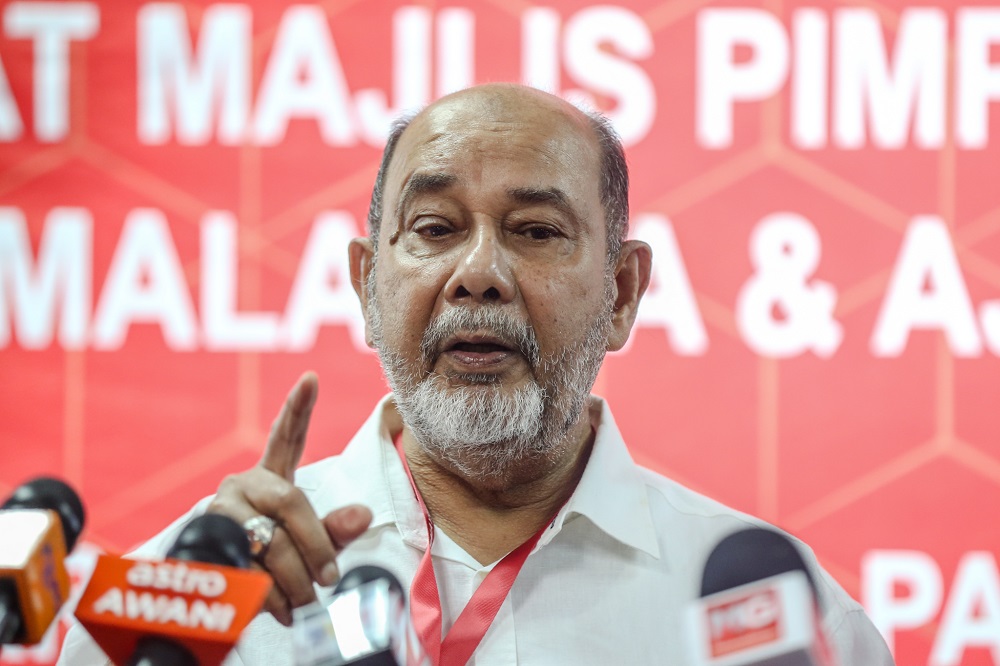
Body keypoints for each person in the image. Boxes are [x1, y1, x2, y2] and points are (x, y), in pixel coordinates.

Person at [59, 83, 894, 665]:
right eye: (433, 228)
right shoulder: (204, 583)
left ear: (622, 293)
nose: (480, 272)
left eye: (535, 231)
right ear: (366, 284)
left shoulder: (777, 619)